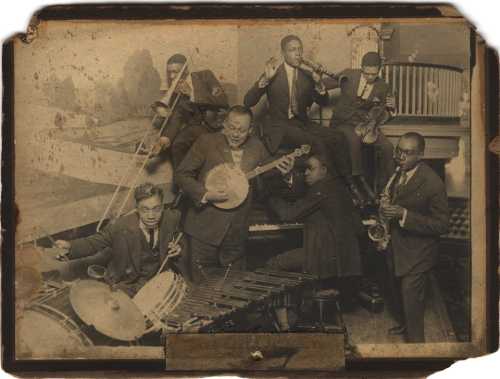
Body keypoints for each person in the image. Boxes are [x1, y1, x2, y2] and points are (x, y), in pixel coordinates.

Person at [175, 105, 294, 283]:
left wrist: (286, 175)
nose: (236, 134)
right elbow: (181, 174)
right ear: (224, 124)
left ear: (251, 130)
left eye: (242, 130)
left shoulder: (257, 146)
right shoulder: (206, 142)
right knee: (202, 290)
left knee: (234, 287)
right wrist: (206, 194)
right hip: (204, 230)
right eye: (232, 127)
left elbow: (269, 180)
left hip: (236, 233)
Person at [243, 35, 361, 204]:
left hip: (301, 124)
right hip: (279, 127)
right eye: (292, 50)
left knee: (338, 137)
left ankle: (349, 185)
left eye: (300, 49)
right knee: (317, 142)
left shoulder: (307, 75)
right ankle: (327, 190)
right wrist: (266, 80)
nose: (298, 54)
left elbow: (323, 102)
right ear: (283, 53)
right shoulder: (273, 73)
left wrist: (319, 84)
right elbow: (247, 102)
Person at [265, 154, 363, 325]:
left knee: (275, 264)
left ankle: (284, 325)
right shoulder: (338, 188)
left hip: (324, 258)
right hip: (342, 259)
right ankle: (297, 310)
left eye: (311, 169)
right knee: (294, 259)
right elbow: (358, 227)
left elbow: (287, 214)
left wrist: (268, 195)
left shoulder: (321, 189)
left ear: (324, 170)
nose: (306, 173)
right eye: (304, 170)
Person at [54, 183, 187, 296]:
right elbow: (94, 242)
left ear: (163, 207)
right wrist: (70, 246)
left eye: (156, 209)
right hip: (126, 283)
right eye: (145, 210)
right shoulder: (120, 226)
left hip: (157, 281)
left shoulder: (172, 218)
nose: (151, 216)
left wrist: (178, 247)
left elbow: (178, 237)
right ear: (137, 209)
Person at [380, 132, 449, 343]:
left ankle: (416, 348)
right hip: (396, 245)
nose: (400, 157)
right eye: (399, 150)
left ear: (420, 155)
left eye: (407, 153)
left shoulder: (433, 183)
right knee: (397, 294)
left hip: (418, 252)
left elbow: (442, 225)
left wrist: (404, 215)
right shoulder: (399, 171)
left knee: (412, 303)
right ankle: (404, 325)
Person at [325, 51, 396, 194]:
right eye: (366, 73)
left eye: (373, 74)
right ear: (361, 68)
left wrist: (392, 108)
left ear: (379, 70)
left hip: (367, 126)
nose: (370, 77)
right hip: (343, 122)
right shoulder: (349, 75)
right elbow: (324, 85)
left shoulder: (383, 86)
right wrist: (317, 82)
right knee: (354, 139)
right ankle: (357, 181)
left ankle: (388, 189)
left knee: (388, 147)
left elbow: (384, 113)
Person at [147, 53, 228, 160]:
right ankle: (180, 176)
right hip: (196, 129)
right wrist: (163, 140)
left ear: (185, 70)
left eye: (175, 72)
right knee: (177, 145)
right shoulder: (176, 90)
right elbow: (176, 118)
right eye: (169, 72)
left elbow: (222, 100)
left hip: (216, 126)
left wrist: (191, 93)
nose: (171, 76)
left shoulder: (205, 76)